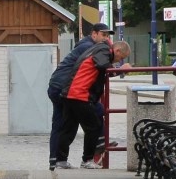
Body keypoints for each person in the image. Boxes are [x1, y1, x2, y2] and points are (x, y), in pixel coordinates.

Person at [54, 40, 132, 169]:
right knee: (94, 126)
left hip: (70, 93)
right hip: (80, 94)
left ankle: (60, 161)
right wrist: (120, 70)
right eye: (121, 58)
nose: (119, 61)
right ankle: (87, 160)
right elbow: (102, 65)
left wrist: (116, 70)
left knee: (68, 128)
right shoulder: (104, 51)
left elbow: (101, 69)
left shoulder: (98, 50)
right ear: (117, 51)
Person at [47, 23, 111, 170]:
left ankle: (55, 160)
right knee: (95, 110)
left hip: (56, 86)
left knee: (61, 124)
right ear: (93, 34)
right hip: (65, 88)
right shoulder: (90, 48)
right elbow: (100, 65)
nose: (106, 39)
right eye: (103, 35)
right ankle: (99, 142)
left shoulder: (84, 45)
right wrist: (119, 70)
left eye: (108, 36)